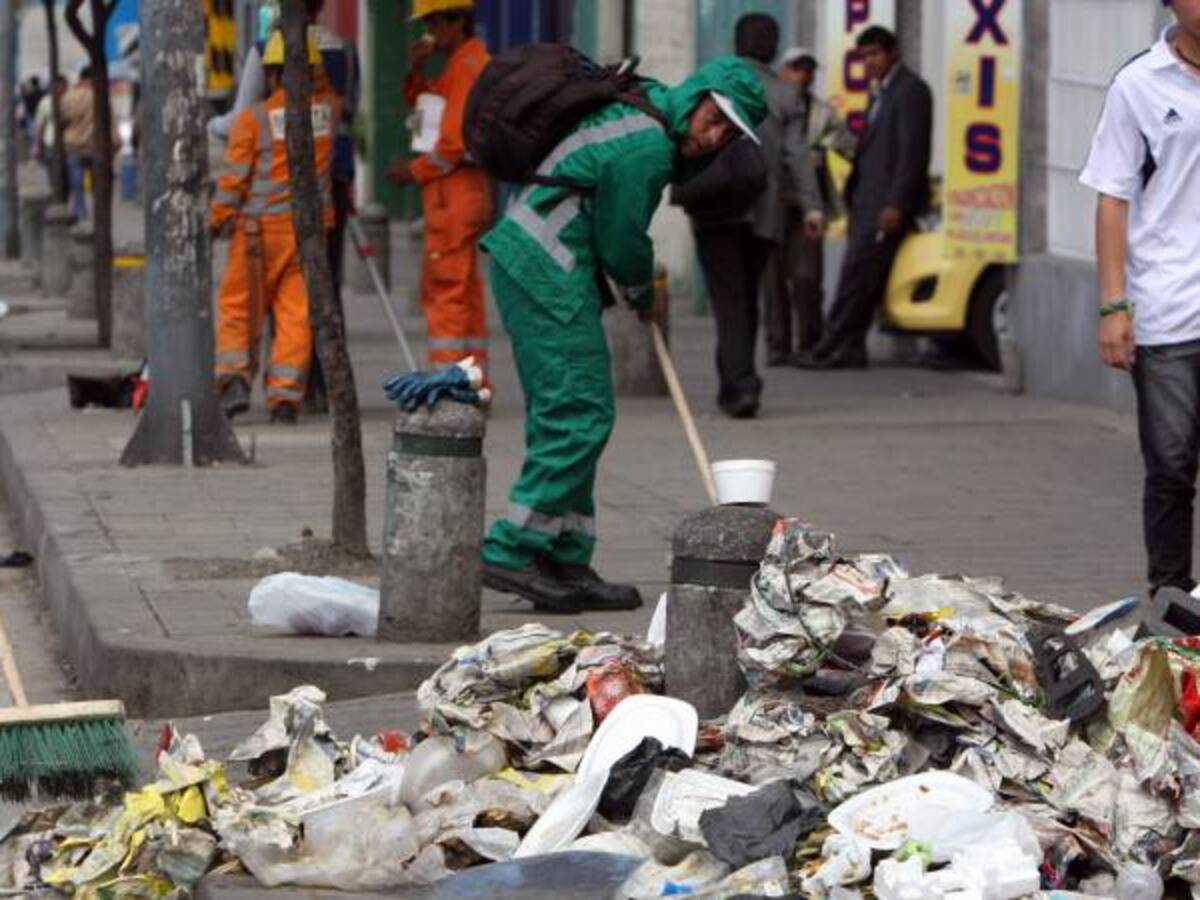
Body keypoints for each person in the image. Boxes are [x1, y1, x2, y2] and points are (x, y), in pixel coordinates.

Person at [480, 57, 766, 611]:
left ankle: (564, 554)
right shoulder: (648, 146)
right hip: (547, 266)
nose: (715, 138)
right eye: (715, 119)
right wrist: (640, 289)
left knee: (569, 411)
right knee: (579, 413)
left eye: (729, 132)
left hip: (541, 262)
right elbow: (621, 240)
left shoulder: (650, 110)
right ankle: (513, 547)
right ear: (699, 96)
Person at [1081, 0, 1200, 595]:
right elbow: (1112, 195)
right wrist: (1112, 303)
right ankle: (1172, 602)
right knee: (1174, 464)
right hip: (1167, 305)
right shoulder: (1139, 83)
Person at [677, 13, 816, 419]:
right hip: (761, 215)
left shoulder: (712, 85)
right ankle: (739, 381)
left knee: (728, 299)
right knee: (747, 299)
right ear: (773, 49)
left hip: (713, 209)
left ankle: (738, 385)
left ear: (738, 44)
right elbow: (796, 156)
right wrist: (813, 207)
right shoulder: (787, 94)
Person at [210, 31, 340, 425]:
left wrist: (214, 220)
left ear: (271, 74)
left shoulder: (253, 121)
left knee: (238, 309)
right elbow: (329, 92)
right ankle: (285, 397)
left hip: (257, 234)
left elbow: (233, 182)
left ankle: (233, 382)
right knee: (296, 316)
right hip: (306, 236)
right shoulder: (327, 113)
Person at [796, 26, 932, 370]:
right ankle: (851, 348)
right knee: (862, 278)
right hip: (866, 201)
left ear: (893, 53)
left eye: (875, 54)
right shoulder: (881, 93)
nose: (869, 62)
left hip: (885, 206)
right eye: (864, 56)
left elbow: (911, 155)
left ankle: (829, 346)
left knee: (855, 277)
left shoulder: (911, 91)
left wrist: (896, 204)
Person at [388, 0, 492, 374]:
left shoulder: (467, 67)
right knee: (465, 291)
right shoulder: (462, 64)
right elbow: (427, 111)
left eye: (432, 23)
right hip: (461, 195)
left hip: (455, 197)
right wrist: (416, 69)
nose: (428, 32)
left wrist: (411, 172)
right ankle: (473, 379)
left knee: (446, 289)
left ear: (456, 20)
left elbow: (451, 144)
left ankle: (450, 383)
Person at [766, 47, 857, 365]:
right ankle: (778, 346)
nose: (802, 75)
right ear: (782, 72)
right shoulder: (768, 107)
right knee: (774, 278)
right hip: (772, 202)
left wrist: (822, 151)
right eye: (795, 68)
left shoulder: (821, 112)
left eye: (807, 69)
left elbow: (849, 145)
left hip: (810, 204)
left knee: (807, 277)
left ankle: (810, 342)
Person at [60, 67, 102, 221]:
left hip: (73, 144)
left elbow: (62, 120)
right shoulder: (99, 95)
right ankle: (98, 213)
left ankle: (81, 213)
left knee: (76, 182)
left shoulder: (68, 96)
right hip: (95, 143)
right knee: (98, 182)